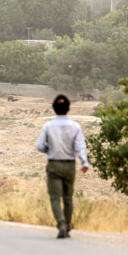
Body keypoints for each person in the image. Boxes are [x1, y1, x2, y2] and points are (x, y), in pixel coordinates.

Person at [36, 94, 90, 239]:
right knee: (68, 197)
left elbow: (40, 146)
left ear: (54, 108)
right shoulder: (75, 126)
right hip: (69, 166)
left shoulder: (48, 126)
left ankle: (61, 224)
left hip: (54, 164)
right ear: (68, 109)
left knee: (55, 197)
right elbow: (79, 146)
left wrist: (50, 150)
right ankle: (67, 224)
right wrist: (84, 162)